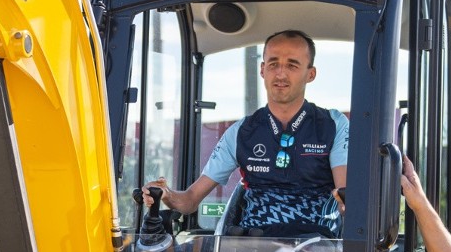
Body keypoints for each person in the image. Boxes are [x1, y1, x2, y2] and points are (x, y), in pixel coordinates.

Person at [142, 29, 348, 238]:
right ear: (262, 69)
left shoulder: (334, 125)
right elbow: (189, 200)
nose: (281, 74)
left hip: (317, 247)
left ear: (310, 74)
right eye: (273, 64)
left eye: (292, 65)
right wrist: (166, 195)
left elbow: (345, 196)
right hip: (252, 247)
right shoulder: (241, 132)